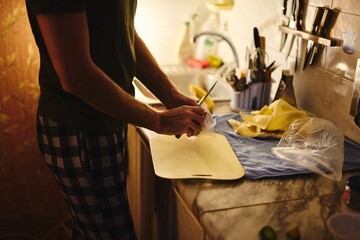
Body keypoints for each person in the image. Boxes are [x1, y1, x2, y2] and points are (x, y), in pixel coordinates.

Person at [25, 1, 206, 239]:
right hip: (79, 130)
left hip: (104, 123)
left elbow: (121, 31)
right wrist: (159, 121)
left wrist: (170, 95)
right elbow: (75, 75)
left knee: (91, 231)